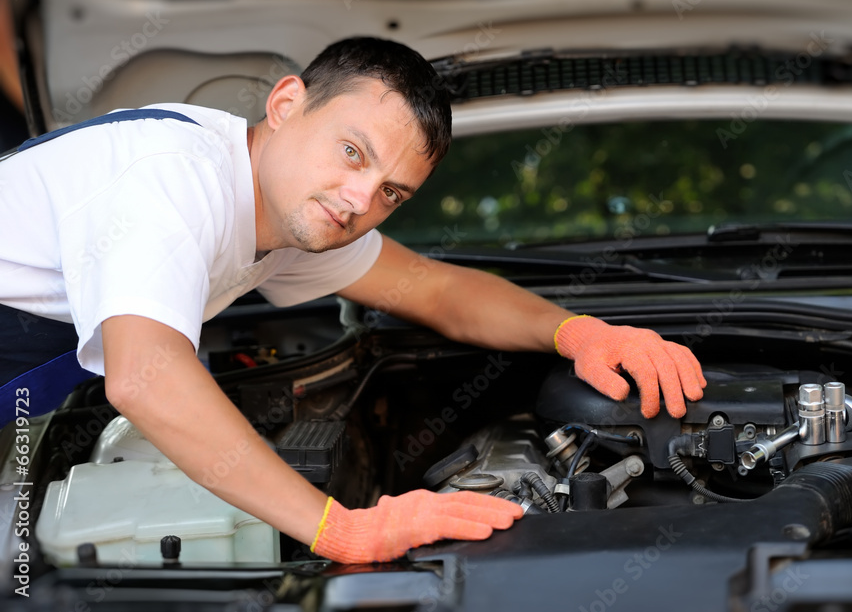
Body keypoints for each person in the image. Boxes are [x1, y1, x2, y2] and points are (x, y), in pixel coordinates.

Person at [0, 37, 706, 563]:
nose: (361, 201)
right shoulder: (173, 184)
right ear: (285, 105)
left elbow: (435, 288)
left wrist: (579, 332)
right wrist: (339, 526)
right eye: (352, 152)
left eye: (392, 192)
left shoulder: (284, 219)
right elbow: (142, 374)